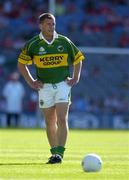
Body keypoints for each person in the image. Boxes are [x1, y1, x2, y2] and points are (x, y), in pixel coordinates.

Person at [17, 13, 85, 164]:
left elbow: (78, 58)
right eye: (48, 24)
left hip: (63, 84)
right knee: (49, 120)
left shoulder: (64, 41)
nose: (52, 26)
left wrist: (76, 77)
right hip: (44, 87)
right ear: (40, 26)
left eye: (53, 23)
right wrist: (31, 81)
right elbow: (21, 64)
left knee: (62, 118)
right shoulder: (33, 44)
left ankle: (60, 154)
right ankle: (54, 153)